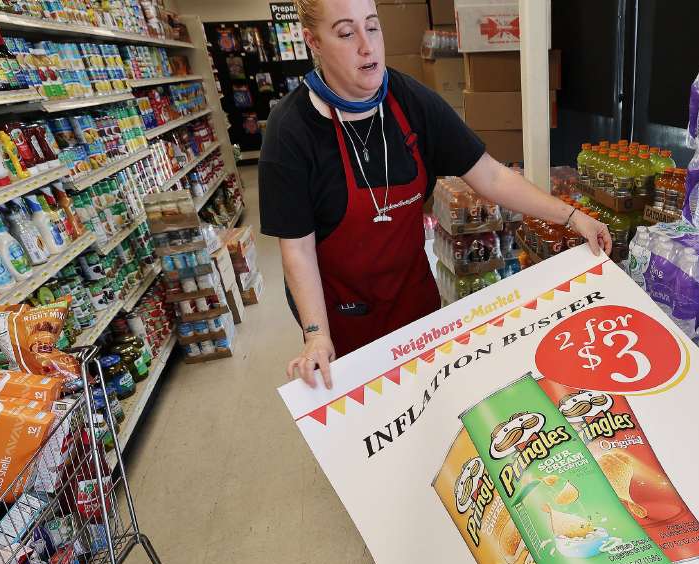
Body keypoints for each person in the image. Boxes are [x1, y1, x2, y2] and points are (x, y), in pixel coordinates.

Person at [260, 0, 611, 389]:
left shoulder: (410, 102)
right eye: (346, 33)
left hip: (415, 303)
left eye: (372, 27)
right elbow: (297, 249)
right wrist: (314, 334)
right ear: (313, 42)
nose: (366, 45)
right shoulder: (290, 130)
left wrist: (572, 216)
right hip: (342, 317)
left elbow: (491, 176)